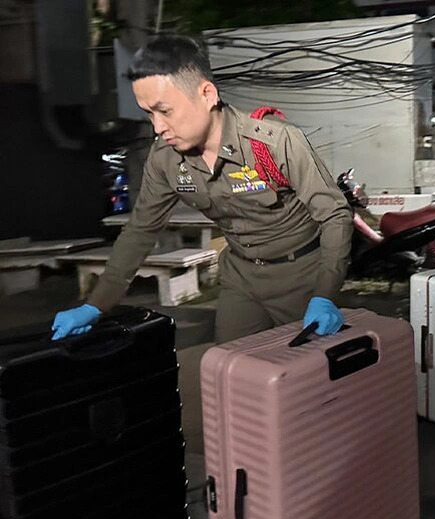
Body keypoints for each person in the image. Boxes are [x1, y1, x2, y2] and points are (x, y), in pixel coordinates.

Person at [51, 35, 353, 342]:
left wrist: (325, 293)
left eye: (164, 111)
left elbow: (335, 214)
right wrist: (95, 305)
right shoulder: (165, 160)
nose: (157, 127)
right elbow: (139, 232)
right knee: (230, 372)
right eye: (148, 114)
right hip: (241, 279)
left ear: (207, 94)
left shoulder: (274, 142)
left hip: (303, 276)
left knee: (311, 379)